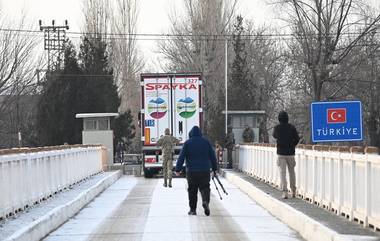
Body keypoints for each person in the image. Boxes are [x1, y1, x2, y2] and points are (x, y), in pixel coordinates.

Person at [175, 126, 217, 216]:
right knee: (205, 187)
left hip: (191, 171)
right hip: (204, 170)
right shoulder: (206, 142)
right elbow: (213, 156)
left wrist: (178, 169)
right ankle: (205, 201)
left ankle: (193, 210)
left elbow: (181, 157)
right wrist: (214, 168)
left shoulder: (187, 143)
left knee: (192, 190)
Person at [272, 111, 300, 199]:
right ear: (287, 118)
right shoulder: (292, 127)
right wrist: (293, 145)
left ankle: (285, 192)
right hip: (291, 153)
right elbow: (297, 138)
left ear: (279, 118)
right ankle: (293, 190)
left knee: (282, 173)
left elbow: (274, 136)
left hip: (281, 153)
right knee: (292, 172)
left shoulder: (277, 128)